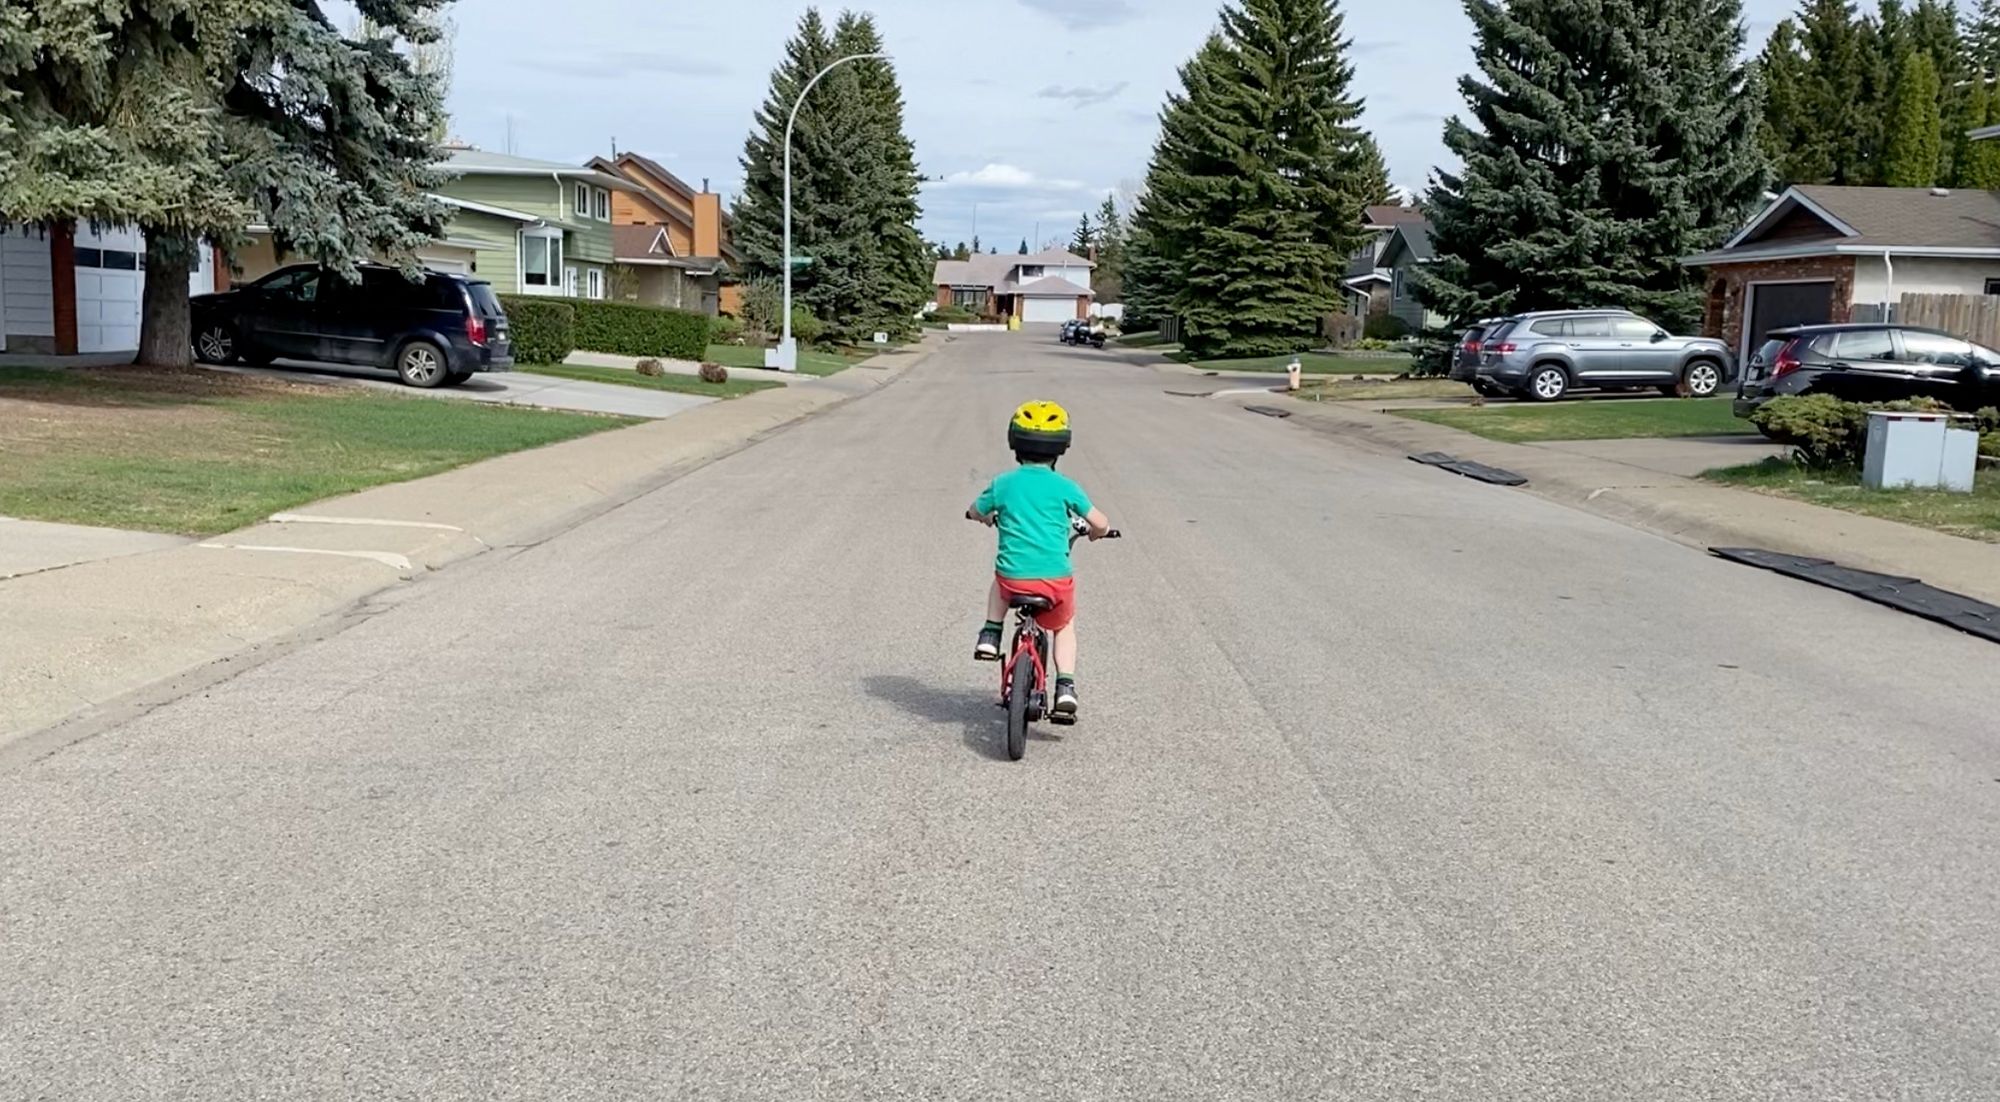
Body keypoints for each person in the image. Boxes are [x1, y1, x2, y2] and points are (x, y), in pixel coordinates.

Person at [965, 400, 1111, 716]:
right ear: (1061, 448)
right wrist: (1098, 533)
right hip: (1054, 580)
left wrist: (980, 517)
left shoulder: (1002, 484)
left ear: (1014, 443)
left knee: (1000, 581)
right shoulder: (1065, 486)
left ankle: (991, 633)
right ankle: (1066, 688)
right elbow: (1100, 523)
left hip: (1013, 577)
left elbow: (977, 510)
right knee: (1064, 626)